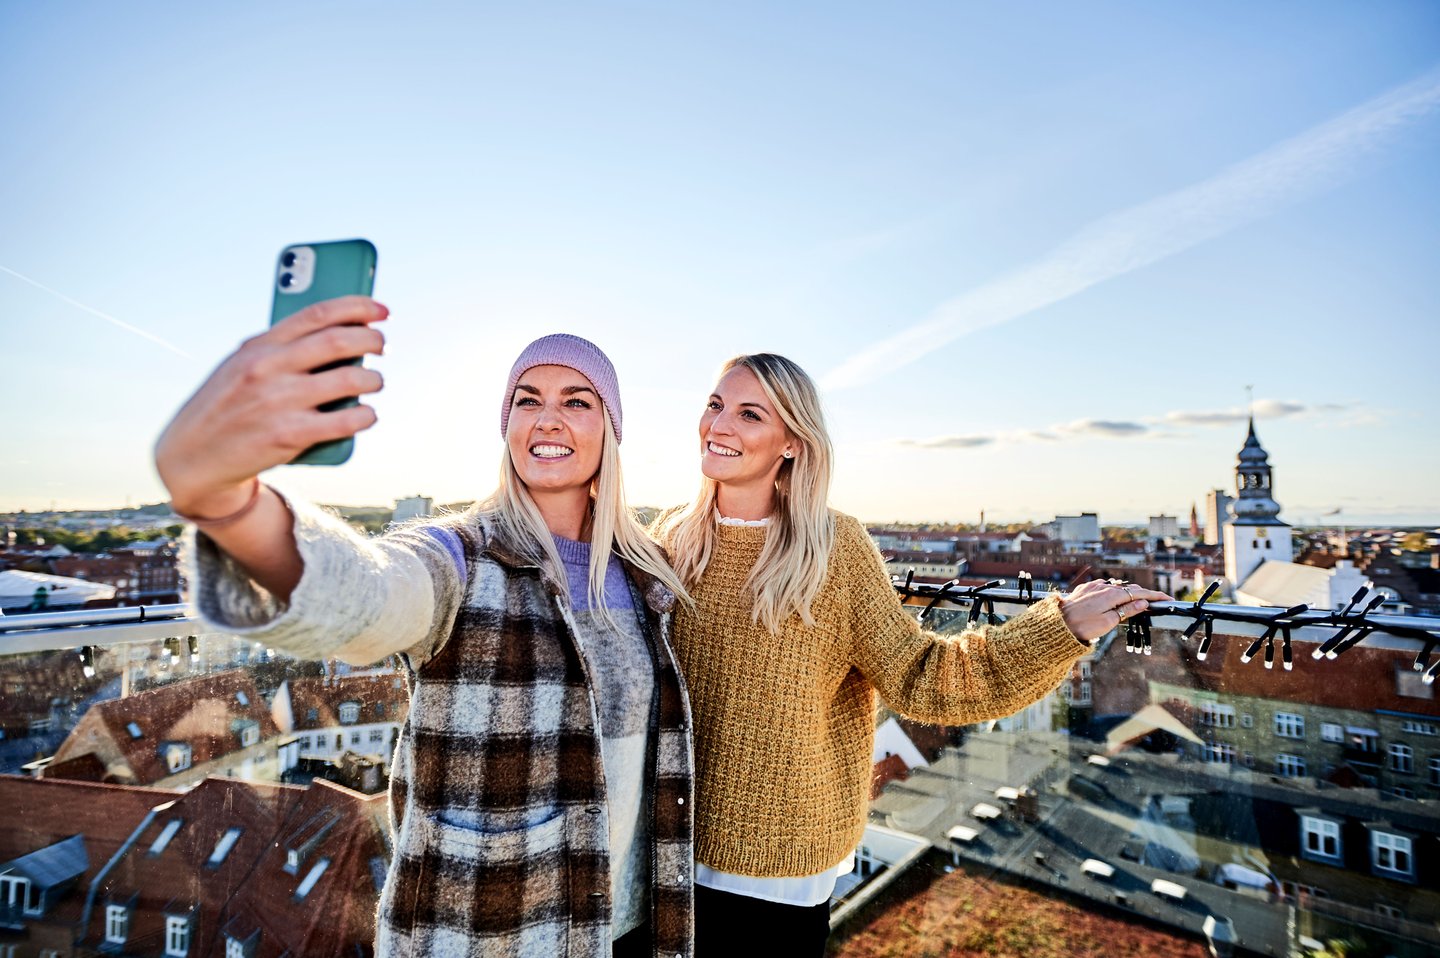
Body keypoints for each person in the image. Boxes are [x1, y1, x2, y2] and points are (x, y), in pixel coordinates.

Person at [155, 297, 695, 958]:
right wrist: (226, 501)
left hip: (631, 930)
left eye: (577, 401)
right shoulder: (461, 558)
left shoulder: (650, 577)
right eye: (527, 400)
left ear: (610, 428)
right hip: (488, 936)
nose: (547, 418)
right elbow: (373, 594)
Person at [651, 353, 1168, 956]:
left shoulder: (831, 549)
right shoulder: (668, 539)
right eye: (715, 405)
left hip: (774, 869)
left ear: (791, 442)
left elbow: (924, 677)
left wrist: (1057, 629)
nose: (720, 425)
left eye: (748, 414)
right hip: (661, 853)